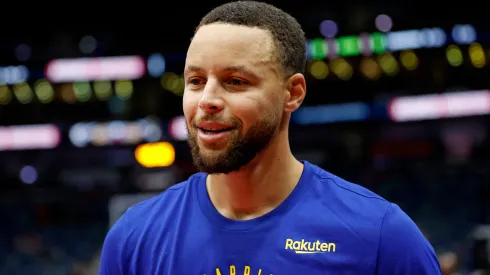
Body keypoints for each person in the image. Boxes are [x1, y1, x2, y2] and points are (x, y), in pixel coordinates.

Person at [99, 1, 442, 274]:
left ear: (292, 93)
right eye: (195, 81)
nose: (207, 100)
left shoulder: (382, 237)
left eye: (236, 81)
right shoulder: (134, 238)